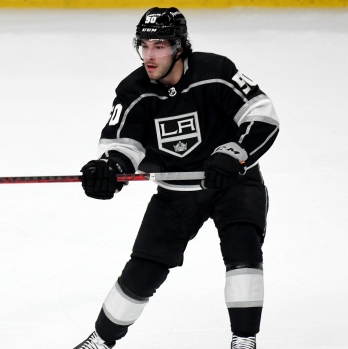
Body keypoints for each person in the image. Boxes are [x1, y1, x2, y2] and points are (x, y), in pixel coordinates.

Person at [74, 7, 279, 349]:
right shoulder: (133, 91)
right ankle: (100, 341)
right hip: (176, 192)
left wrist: (236, 154)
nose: (149, 56)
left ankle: (244, 341)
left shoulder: (216, 72)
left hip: (233, 183)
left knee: (242, 246)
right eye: (144, 46)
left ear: (180, 47)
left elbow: (262, 116)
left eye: (159, 47)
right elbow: (124, 146)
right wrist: (108, 169)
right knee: (144, 268)